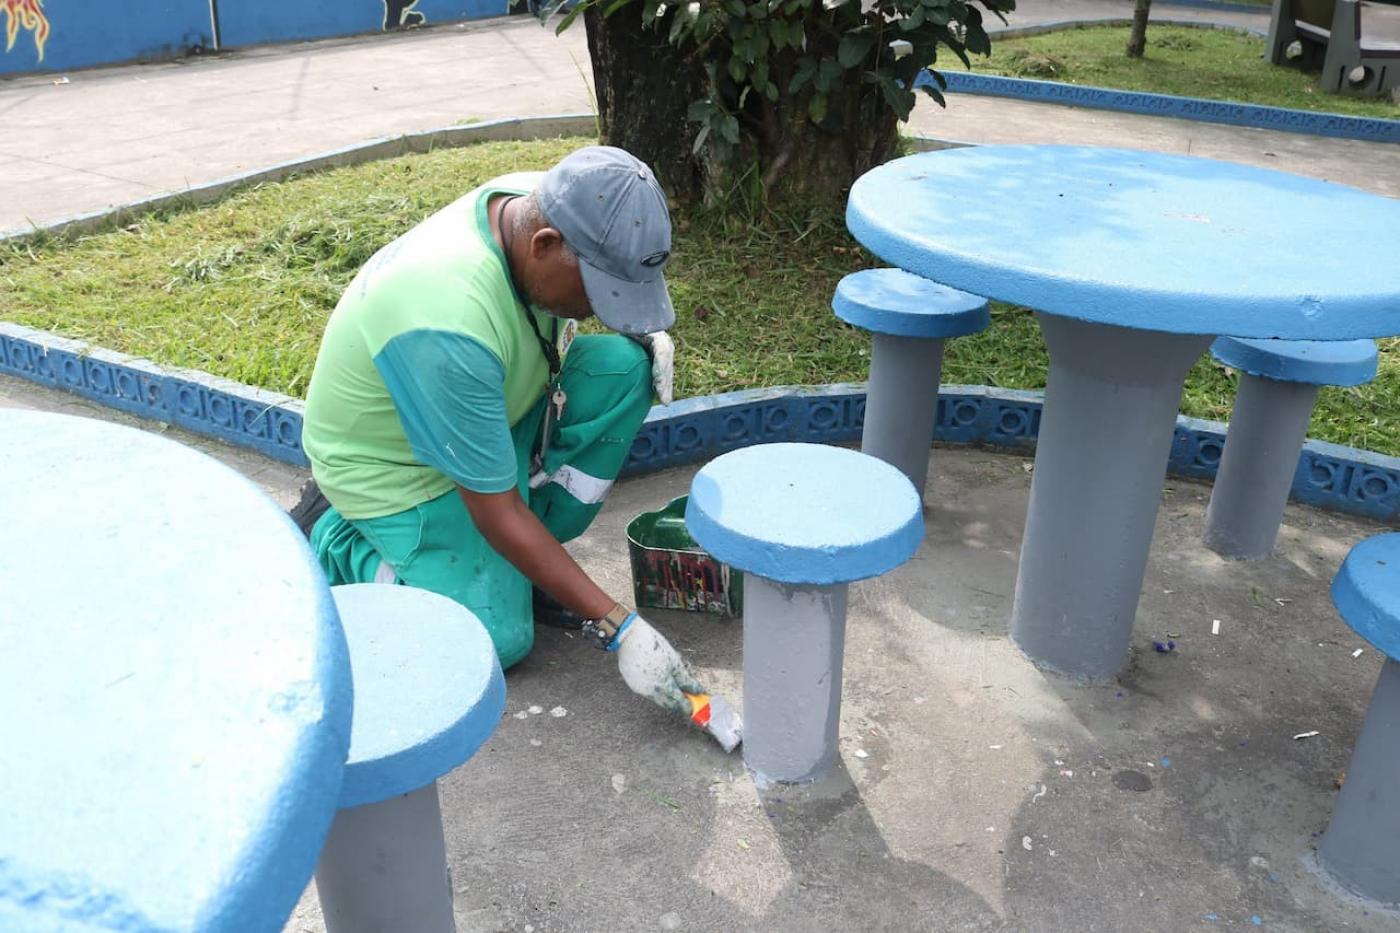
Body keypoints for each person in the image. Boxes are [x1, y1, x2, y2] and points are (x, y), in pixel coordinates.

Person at [296, 145, 707, 718]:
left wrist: (640, 334)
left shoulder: (548, 202)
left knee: (624, 370)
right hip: (405, 469)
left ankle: (515, 566)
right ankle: (337, 541)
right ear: (544, 247)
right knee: (493, 638)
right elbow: (497, 512)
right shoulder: (446, 321)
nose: (600, 312)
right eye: (598, 291)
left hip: (492, 413)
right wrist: (619, 626)